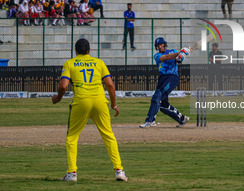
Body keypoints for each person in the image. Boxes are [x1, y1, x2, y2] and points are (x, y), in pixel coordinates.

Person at [52, 38, 128, 182]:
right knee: (108, 135)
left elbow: (63, 86)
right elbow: (110, 85)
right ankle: (119, 171)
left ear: (75, 51)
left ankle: (71, 173)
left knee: (72, 137)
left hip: (81, 100)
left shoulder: (70, 63)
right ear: (89, 50)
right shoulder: (99, 62)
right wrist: (113, 104)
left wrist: (58, 98)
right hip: (100, 100)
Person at [139, 37, 190, 128]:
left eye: (161, 45)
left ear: (164, 44)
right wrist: (179, 52)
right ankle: (182, 118)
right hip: (162, 78)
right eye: (158, 45)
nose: (159, 47)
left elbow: (178, 60)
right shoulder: (157, 55)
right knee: (163, 105)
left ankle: (150, 120)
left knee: (157, 96)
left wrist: (182, 55)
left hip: (172, 77)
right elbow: (166, 57)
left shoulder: (172, 51)